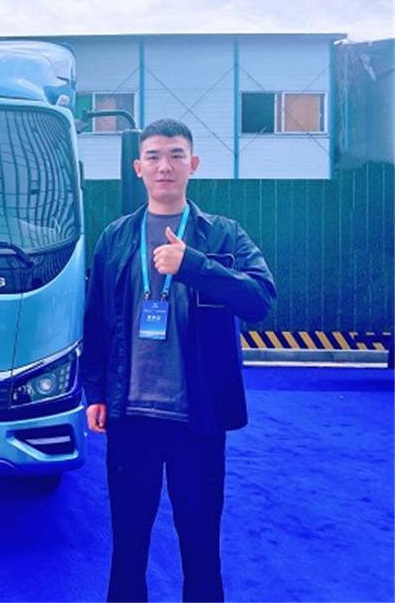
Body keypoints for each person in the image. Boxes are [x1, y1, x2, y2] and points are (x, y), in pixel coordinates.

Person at [81, 118, 276, 602]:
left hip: (198, 419)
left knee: (201, 545)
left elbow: (260, 299)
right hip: (130, 417)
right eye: (153, 156)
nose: (164, 166)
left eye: (175, 155)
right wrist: (96, 392)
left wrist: (193, 265)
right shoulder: (115, 238)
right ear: (138, 168)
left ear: (193, 164)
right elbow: (97, 320)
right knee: (128, 546)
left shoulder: (223, 235)